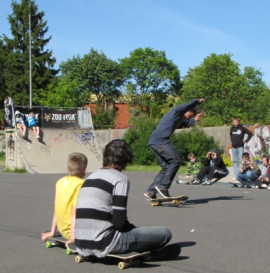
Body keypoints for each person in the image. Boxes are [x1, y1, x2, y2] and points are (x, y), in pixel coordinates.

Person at [75, 139, 176, 258]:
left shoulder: (90, 177)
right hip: (105, 243)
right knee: (165, 233)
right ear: (126, 159)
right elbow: (119, 223)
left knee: (136, 233)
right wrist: (133, 230)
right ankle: (150, 252)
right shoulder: (119, 179)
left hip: (80, 243)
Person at [144, 98, 205, 198]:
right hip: (161, 141)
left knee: (166, 167)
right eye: (191, 115)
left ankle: (151, 192)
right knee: (176, 161)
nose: (190, 117)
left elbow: (186, 123)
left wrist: (194, 120)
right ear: (188, 111)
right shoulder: (176, 111)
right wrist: (197, 102)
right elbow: (187, 106)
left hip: (154, 141)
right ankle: (163, 187)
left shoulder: (178, 118)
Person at [41, 152, 88, 247]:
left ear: (67, 168)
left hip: (62, 230)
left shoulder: (60, 182)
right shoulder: (81, 184)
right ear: (85, 170)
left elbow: (57, 208)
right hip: (73, 232)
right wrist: (73, 238)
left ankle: (55, 231)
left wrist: (52, 232)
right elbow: (74, 211)